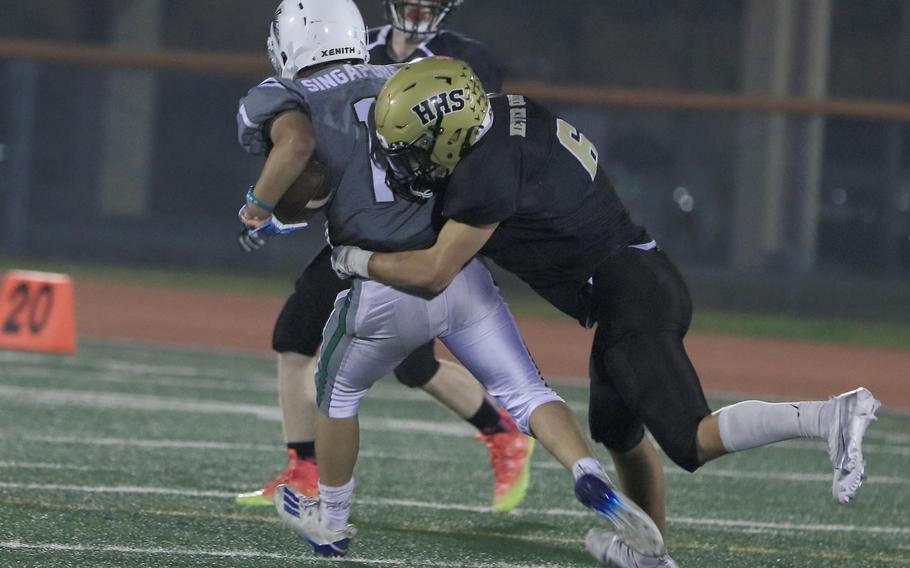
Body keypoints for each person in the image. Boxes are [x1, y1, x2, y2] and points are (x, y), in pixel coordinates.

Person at [330, 56, 883, 567]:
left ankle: (828, 416)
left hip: (629, 292)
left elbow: (432, 275)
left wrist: (355, 257)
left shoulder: (486, 172)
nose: (412, 159)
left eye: (420, 145)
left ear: (451, 134)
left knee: (690, 440)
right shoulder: (500, 113)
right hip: (632, 281)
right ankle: (645, 554)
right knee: (617, 433)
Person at [236, 1, 666, 562]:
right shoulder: (402, 75)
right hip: (458, 270)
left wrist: (256, 208)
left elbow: (296, 150)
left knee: (337, 394)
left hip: (382, 281)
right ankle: (590, 477)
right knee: (530, 392)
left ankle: (332, 521)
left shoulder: (282, 95)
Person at [234, 0, 532, 515]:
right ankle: (501, 432)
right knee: (345, 346)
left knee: (370, 354)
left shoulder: (459, 59)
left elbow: (467, 142)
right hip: (363, 234)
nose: (418, 11)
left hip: (422, 232)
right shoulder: (365, 51)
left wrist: (264, 203)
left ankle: (501, 433)